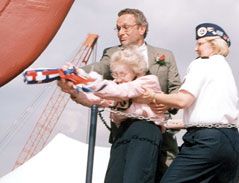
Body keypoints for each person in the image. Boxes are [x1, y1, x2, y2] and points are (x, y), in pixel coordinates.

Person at [58, 8, 181, 182]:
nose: (120, 32)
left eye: (125, 27)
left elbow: (176, 90)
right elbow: (98, 69)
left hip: (157, 132)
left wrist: (166, 103)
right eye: (118, 28)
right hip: (123, 132)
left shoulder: (164, 57)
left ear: (142, 28)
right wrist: (73, 80)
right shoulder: (113, 54)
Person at [143, 23, 239, 183]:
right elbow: (211, 110)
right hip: (231, 141)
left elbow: (183, 100)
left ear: (214, 45)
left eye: (200, 43)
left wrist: (153, 95)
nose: (196, 48)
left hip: (206, 141)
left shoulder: (201, 64)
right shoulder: (225, 68)